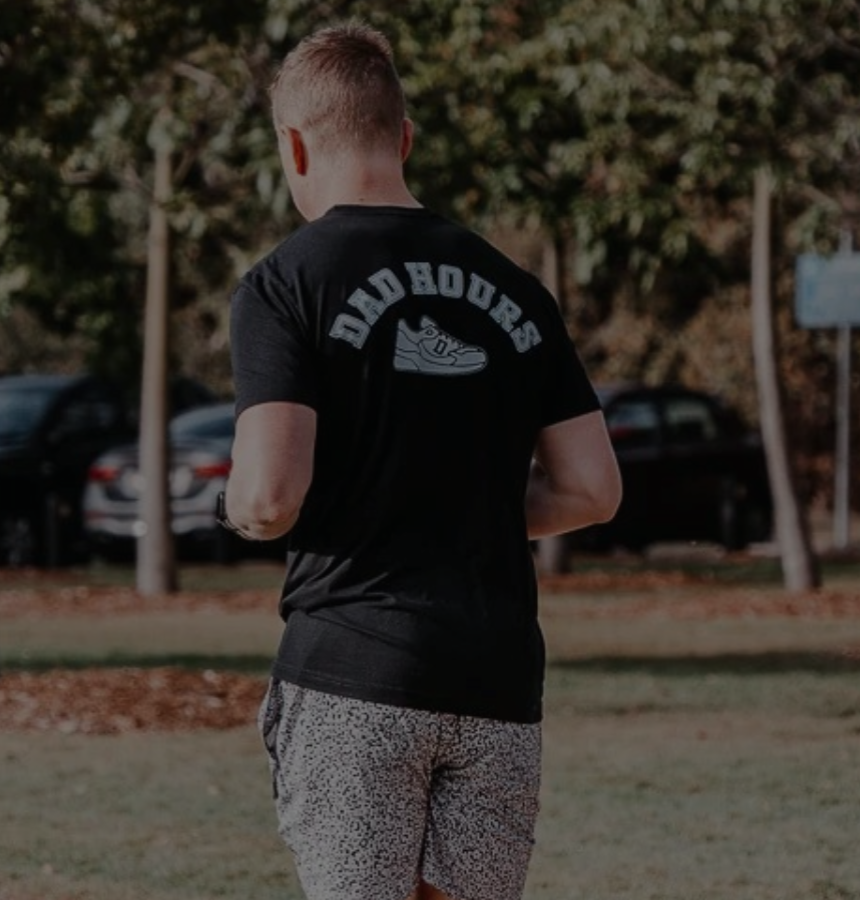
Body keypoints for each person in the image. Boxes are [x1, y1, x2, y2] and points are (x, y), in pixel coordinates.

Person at [220, 23, 622, 900]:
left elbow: (268, 498)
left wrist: (242, 508)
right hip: (497, 675)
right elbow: (593, 489)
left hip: (357, 670)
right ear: (404, 138)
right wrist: (461, 501)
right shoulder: (516, 287)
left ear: (292, 145)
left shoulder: (285, 283)